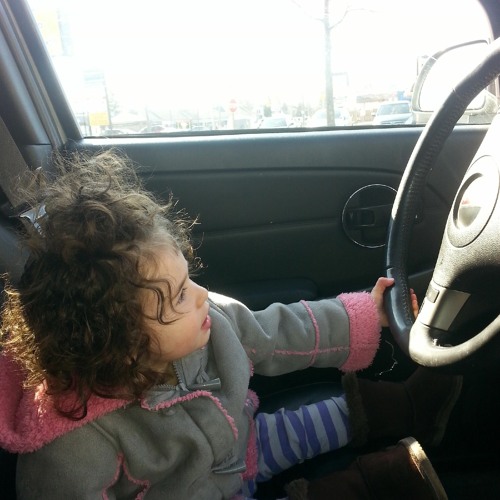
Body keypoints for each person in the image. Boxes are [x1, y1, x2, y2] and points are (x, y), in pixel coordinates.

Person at [0, 151, 461, 499]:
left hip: (244, 445)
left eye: (188, 279)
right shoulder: (75, 439)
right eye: (179, 296)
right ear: (121, 342)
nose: (201, 294)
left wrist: (364, 313)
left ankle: (408, 408)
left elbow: (280, 333)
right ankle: (368, 482)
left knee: (303, 423)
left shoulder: (209, 322)